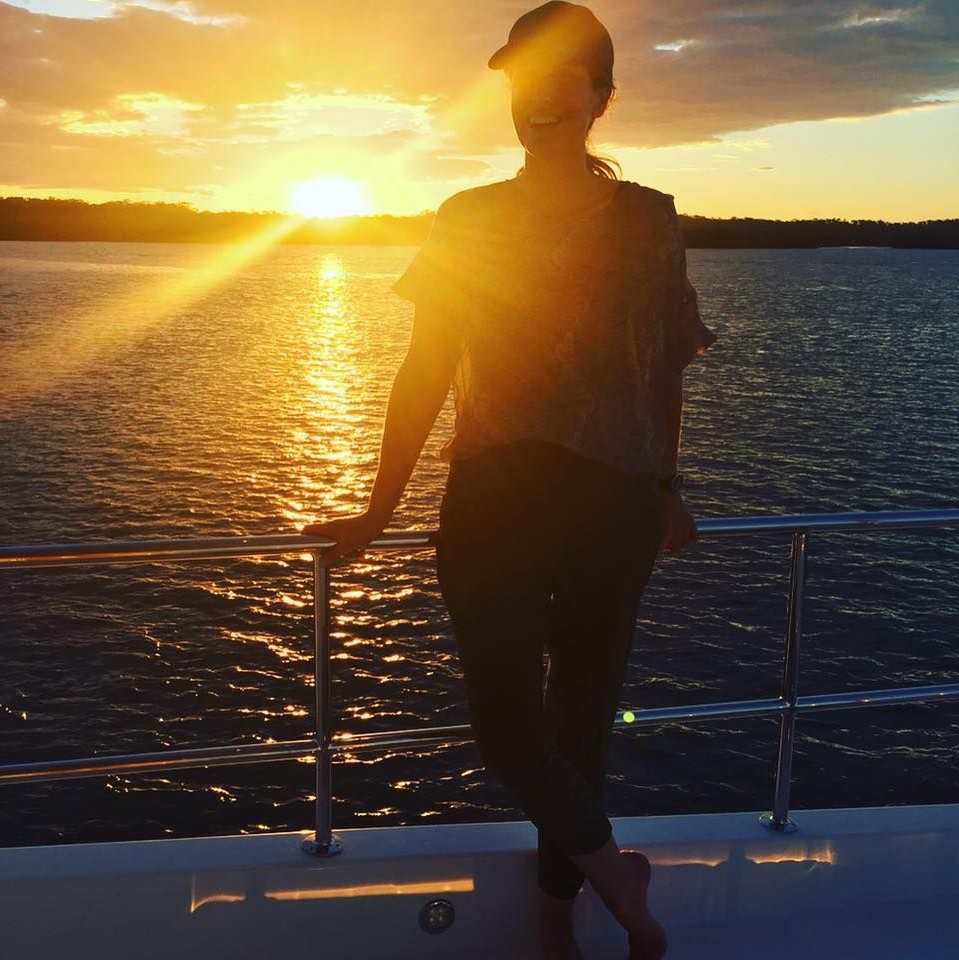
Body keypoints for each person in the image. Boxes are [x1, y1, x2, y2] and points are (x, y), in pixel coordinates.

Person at [302, 3, 717, 957]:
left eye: (562, 78)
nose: (539, 98)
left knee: (582, 727)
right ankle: (616, 873)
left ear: (601, 97)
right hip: (494, 502)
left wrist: (666, 481)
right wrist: (377, 510)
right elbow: (425, 370)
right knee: (506, 729)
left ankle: (556, 921)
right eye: (523, 81)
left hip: (613, 507)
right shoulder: (471, 218)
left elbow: (665, 366)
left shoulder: (649, 221)